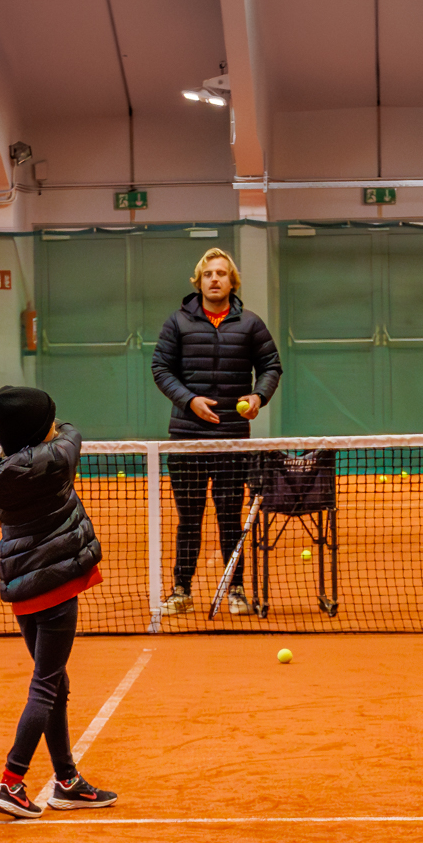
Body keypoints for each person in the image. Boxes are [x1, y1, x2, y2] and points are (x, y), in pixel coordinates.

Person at [0, 383, 120, 821]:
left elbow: (4, 504)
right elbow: (69, 431)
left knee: (55, 682)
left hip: (24, 589)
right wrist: (16, 432)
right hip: (57, 584)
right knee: (45, 683)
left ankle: (67, 781)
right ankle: (12, 781)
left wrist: (5, 440)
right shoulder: (59, 456)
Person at [150, 246, 281, 615]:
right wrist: (189, 401)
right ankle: (181, 590)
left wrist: (259, 396)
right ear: (198, 281)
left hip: (232, 437)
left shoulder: (251, 324)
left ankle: (236, 589)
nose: (214, 279)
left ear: (231, 281)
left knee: (229, 516)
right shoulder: (177, 323)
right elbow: (161, 369)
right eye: (208, 274)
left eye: (221, 274)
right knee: (188, 517)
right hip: (186, 437)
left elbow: (271, 366)